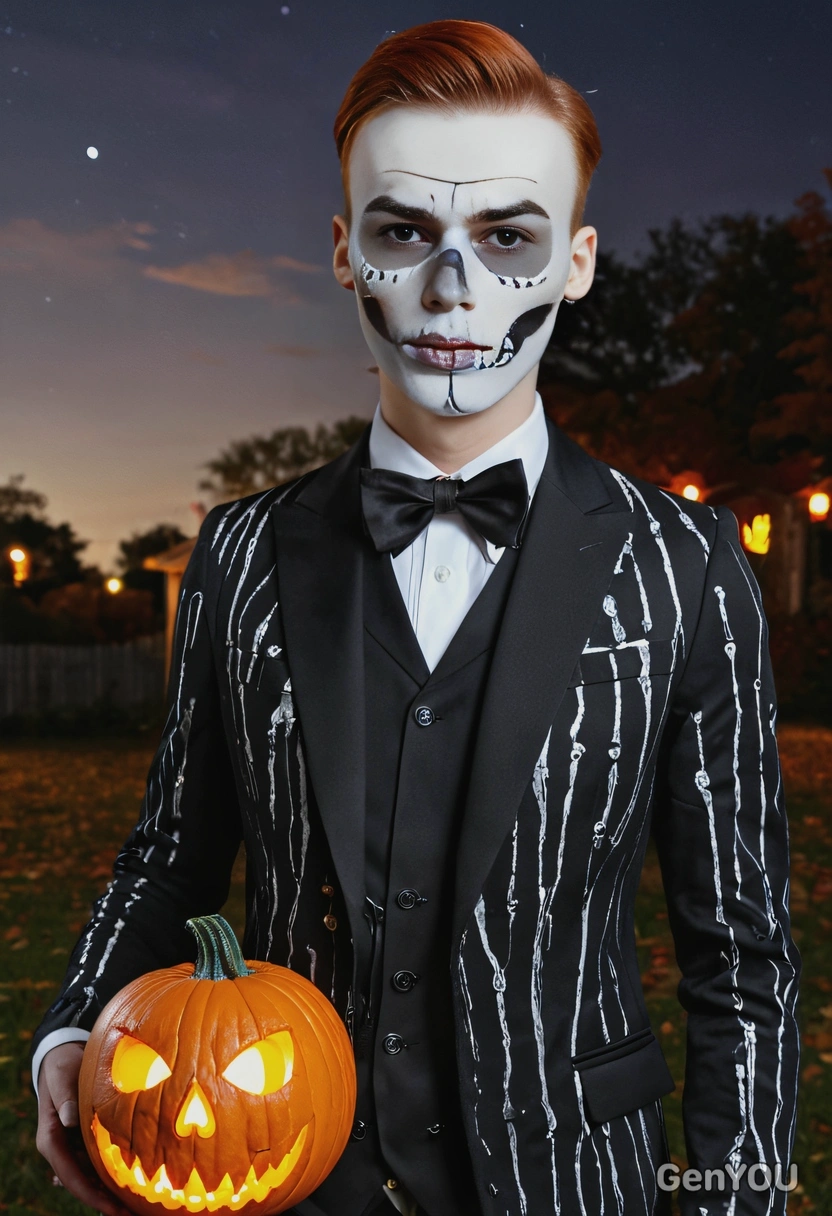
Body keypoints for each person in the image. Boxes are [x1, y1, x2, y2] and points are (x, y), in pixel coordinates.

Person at [33, 20, 800, 1216]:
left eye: (507, 238)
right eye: (405, 232)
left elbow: (740, 956)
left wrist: (736, 1196)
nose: (452, 289)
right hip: (283, 1175)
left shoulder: (686, 563)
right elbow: (170, 849)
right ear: (345, 253)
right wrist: (75, 1029)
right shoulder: (240, 551)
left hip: (576, 1177)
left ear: (576, 262)